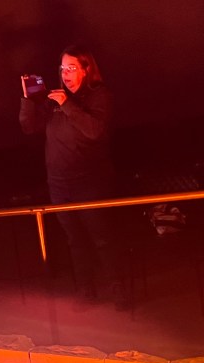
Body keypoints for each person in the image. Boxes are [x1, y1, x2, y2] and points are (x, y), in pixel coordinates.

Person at [19, 45, 128, 309]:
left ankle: (119, 290)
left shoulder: (99, 96)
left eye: (71, 68)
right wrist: (28, 100)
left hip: (90, 181)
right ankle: (86, 291)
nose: (65, 74)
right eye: (62, 68)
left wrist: (67, 104)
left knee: (102, 238)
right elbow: (29, 127)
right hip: (59, 183)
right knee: (75, 240)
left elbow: (94, 131)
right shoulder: (55, 99)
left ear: (86, 70)